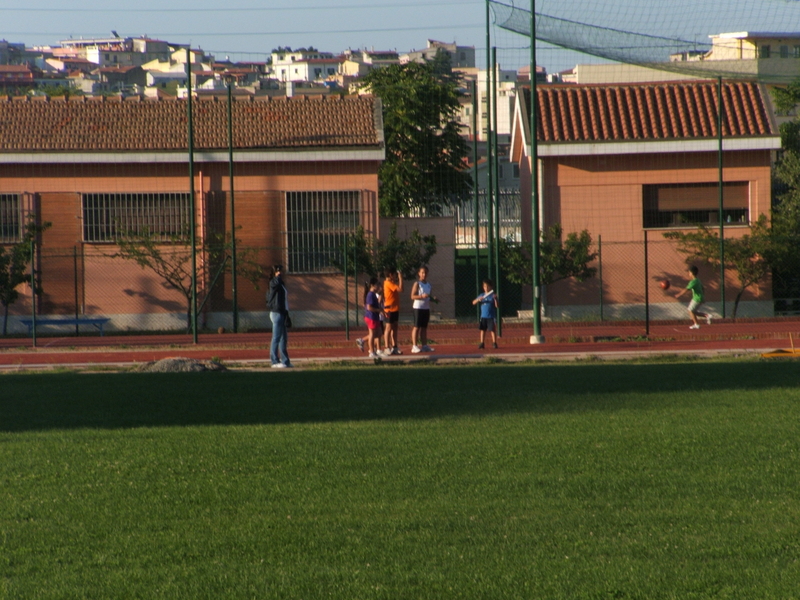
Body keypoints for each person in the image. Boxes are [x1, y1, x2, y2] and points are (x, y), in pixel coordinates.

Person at [267, 264, 292, 368]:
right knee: (276, 337)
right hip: (276, 313)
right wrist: (277, 277)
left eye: (280, 271)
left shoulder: (281, 284)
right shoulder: (273, 282)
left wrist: (287, 313)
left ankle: (285, 361)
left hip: (282, 312)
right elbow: (274, 284)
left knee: (283, 338)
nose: (280, 273)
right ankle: (274, 361)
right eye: (277, 271)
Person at [675, 265, 712, 330]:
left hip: (696, 298)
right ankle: (707, 315)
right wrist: (703, 296)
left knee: (690, 310)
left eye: (689, 272)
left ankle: (696, 324)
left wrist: (679, 294)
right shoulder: (698, 280)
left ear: (691, 273)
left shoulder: (693, 282)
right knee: (693, 311)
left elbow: (686, 289)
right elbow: (703, 288)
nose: (688, 274)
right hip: (700, 298)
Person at [410, 265, 437, 353]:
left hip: (426, 308)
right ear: (419, 274)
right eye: (422, 273)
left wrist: (434, 299)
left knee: (424, 328)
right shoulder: (417, 284)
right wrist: (421, 296)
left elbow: (429, 297)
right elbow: (412, 296)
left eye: (425, 273)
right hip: (418, 308)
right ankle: (414, 346)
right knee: (416, 327)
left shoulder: (429, 285)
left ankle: (424, 345)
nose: (424, 274)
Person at [472, 278, 499, 349]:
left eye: (487, 286)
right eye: (484, 286)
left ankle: (494, 343)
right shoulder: (482, 295)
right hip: (483, 316)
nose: (486, 288)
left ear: (491, 287)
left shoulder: (493, 295)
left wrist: (495, 299)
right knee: (482, 330)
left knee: (492, 330)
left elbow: (497, 306)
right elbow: (473, 302)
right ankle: (482, 343)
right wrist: (478, 299)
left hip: (491, 316)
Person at [383, 267, 403, 355]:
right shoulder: (388, 283)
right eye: (395, 275)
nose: (396, 277)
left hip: (395, 309)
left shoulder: (392, 283)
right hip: (389, 309)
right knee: (388, 328)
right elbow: (400, 289)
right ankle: (387, 347)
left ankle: (395, 347)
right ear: (391, 275)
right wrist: (401, 278)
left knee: (395, 328)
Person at [361, 276, 383, 358]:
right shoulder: (370, 294)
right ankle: (371, 352)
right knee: (372, 334)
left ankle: (362, 340)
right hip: (371, 317)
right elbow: (369, 307)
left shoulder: (374, 294)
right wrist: (378, 310)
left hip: (375, 317)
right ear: (372, 285)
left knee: (379, 333)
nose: (379, 286)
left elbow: (376, 305)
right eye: (377, 284)